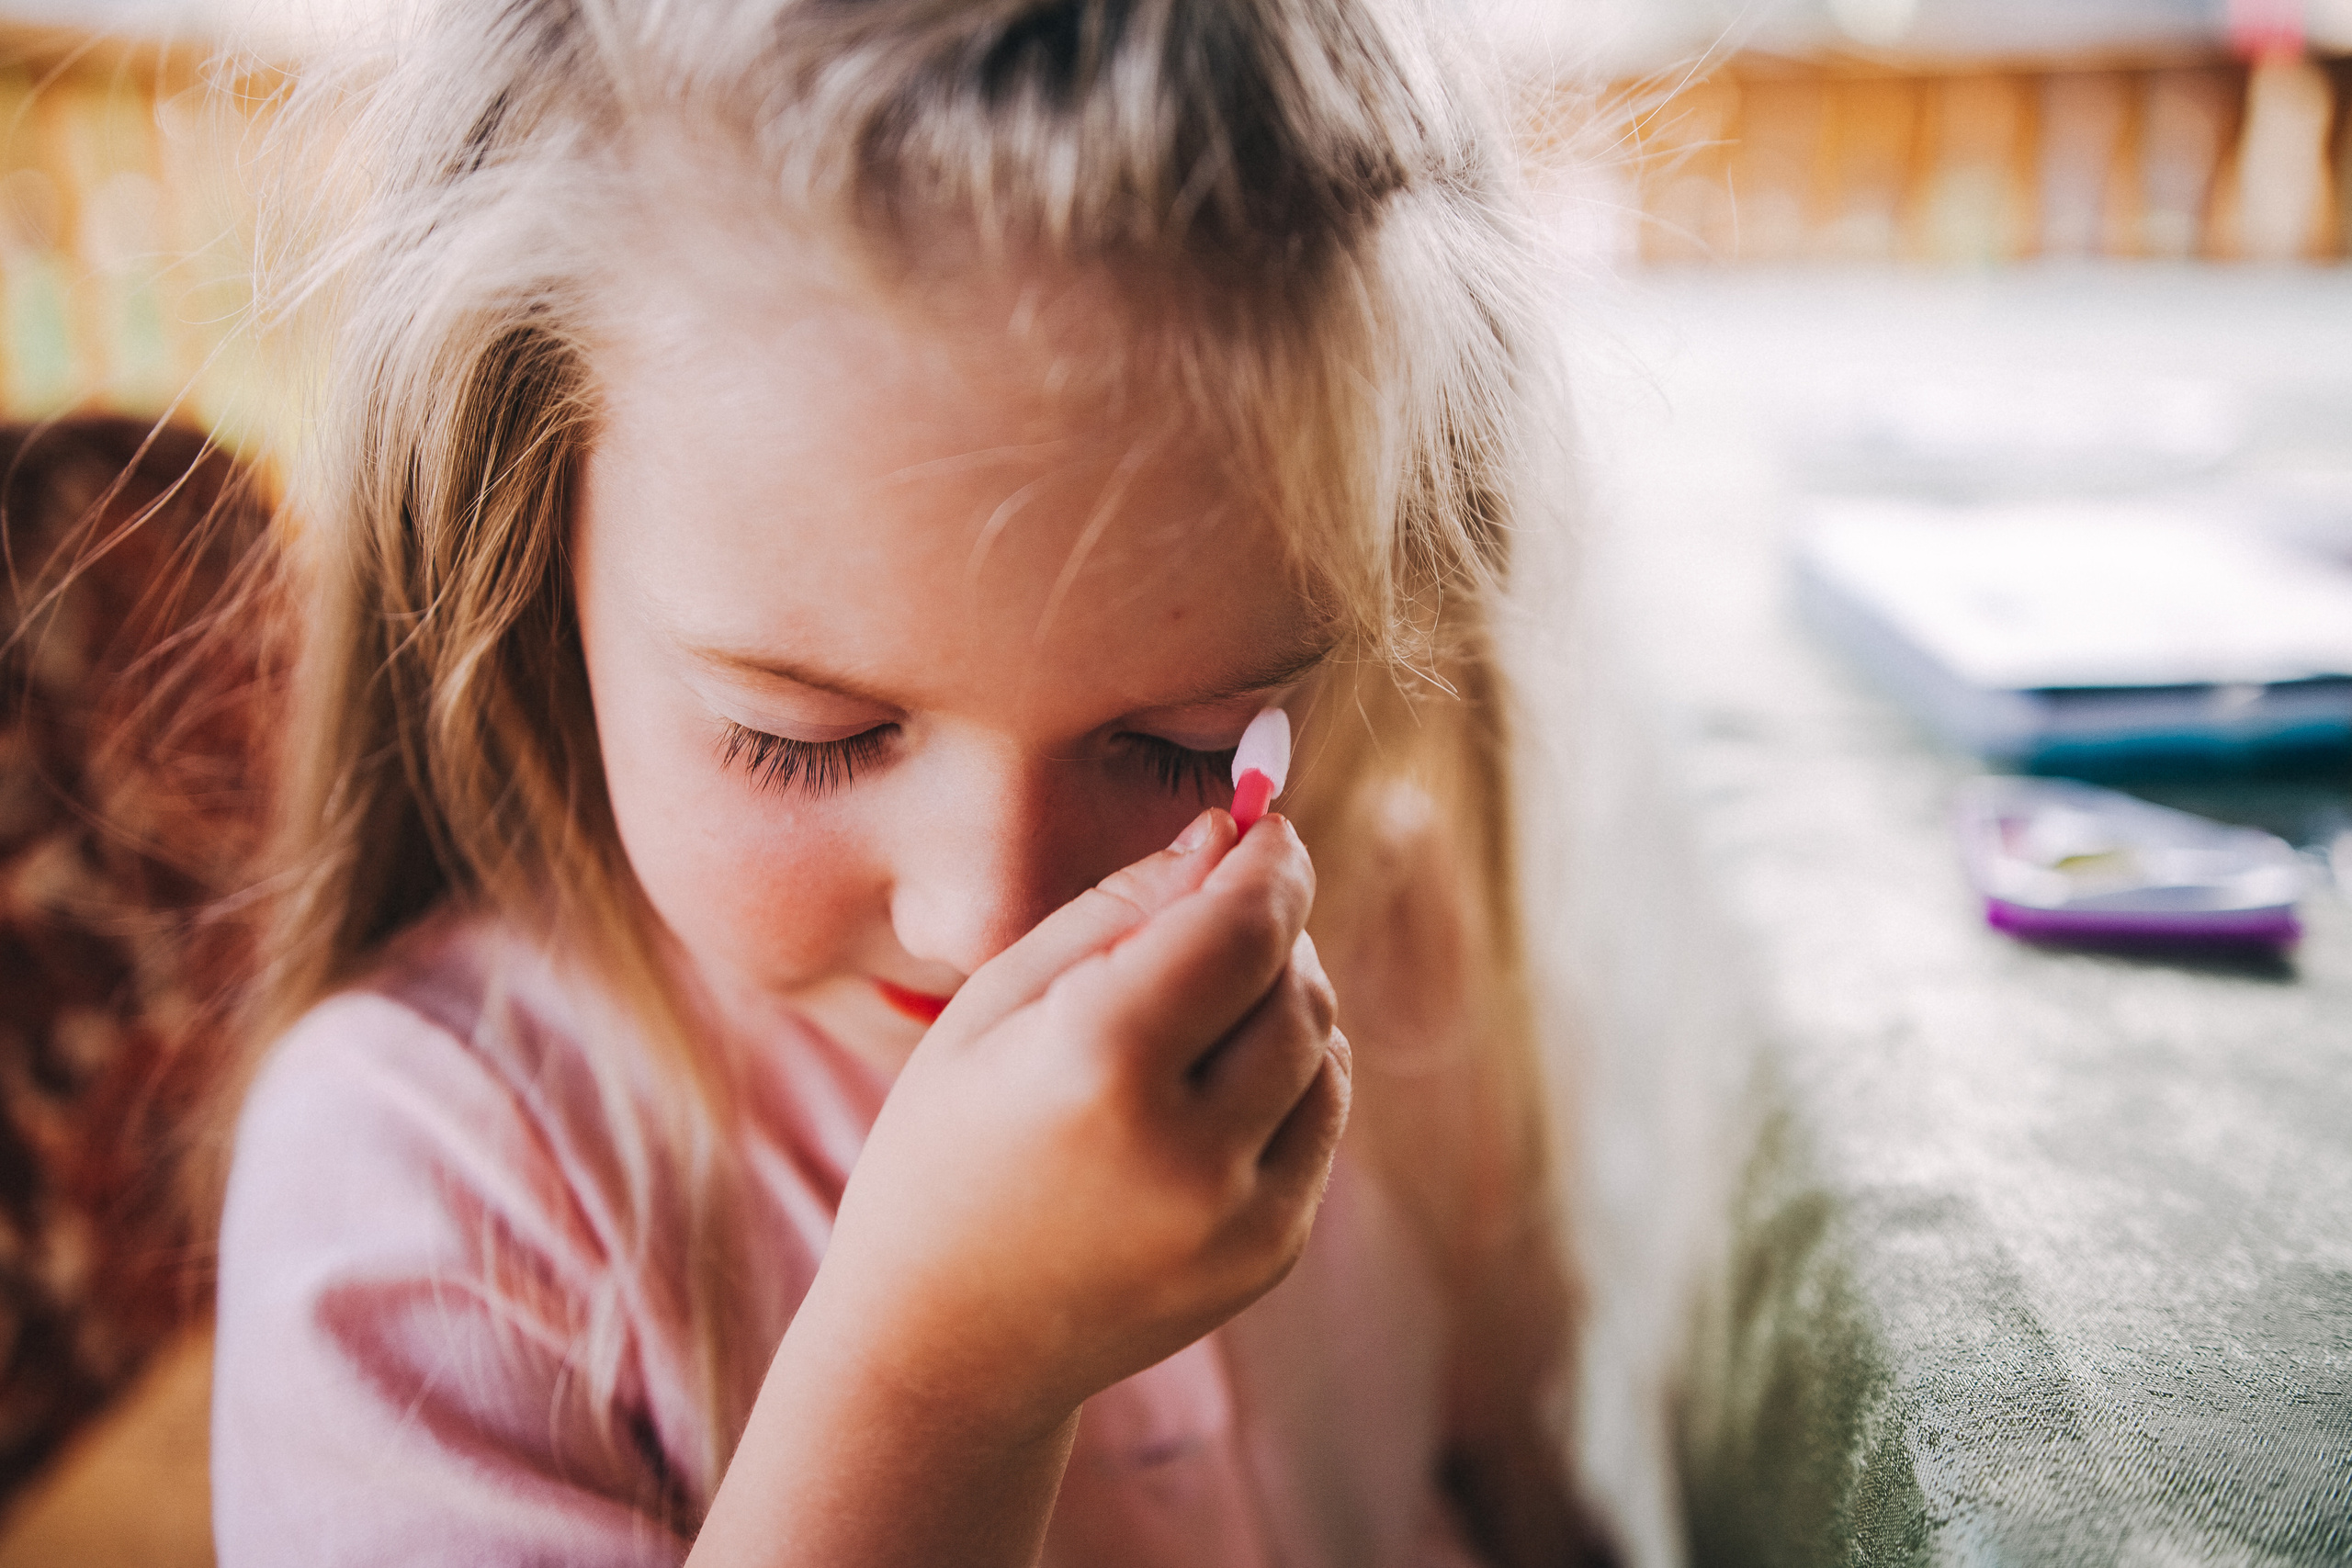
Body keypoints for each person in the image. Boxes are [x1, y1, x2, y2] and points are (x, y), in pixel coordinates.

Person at [209, 2, 1603, 1563]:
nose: (990, 919)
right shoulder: (433, 1182)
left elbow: (1507, 1483)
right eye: (805, 736)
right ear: (530, 546)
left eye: (1194, 744)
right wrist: (943, 1380)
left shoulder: (1386, 930)